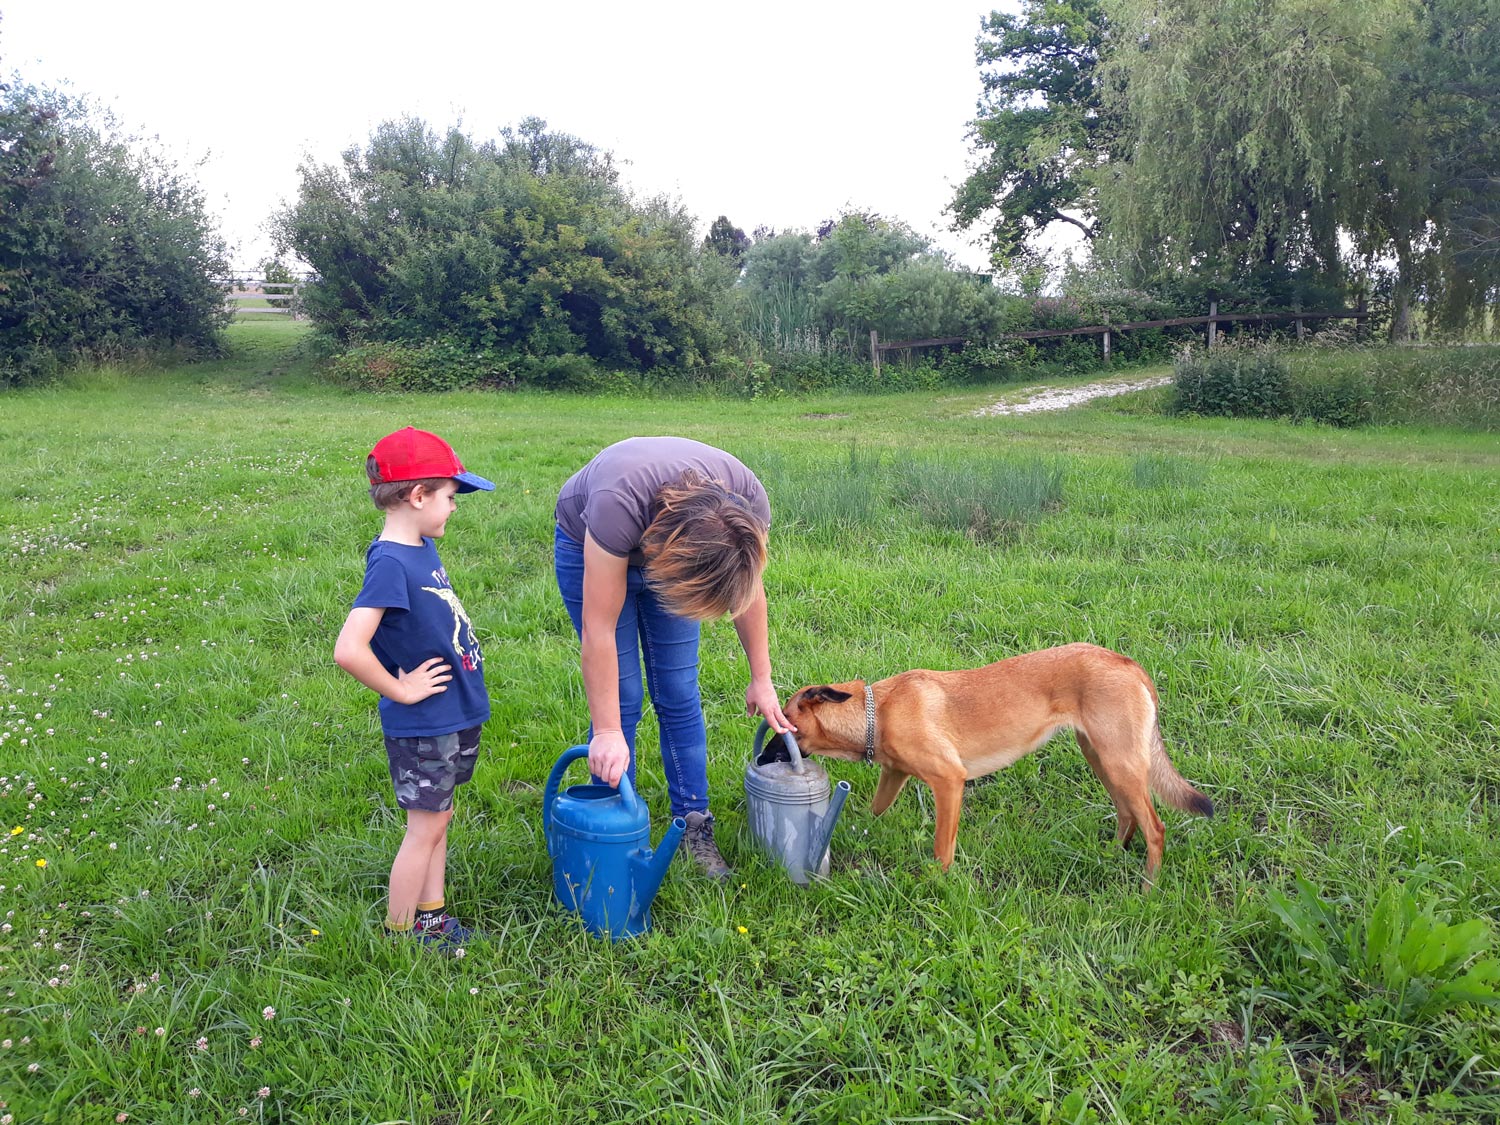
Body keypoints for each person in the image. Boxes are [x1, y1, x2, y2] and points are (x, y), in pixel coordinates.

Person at [554, 436, 793, 880]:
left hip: (669, 539)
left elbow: (748, 591)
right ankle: (614, 830)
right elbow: (599, 629)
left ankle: (693, 827)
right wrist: (605, 730)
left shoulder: (749, 504)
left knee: (678, 690)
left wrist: (762, 677)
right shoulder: (615, 504)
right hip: (594, 539)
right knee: (621, 698)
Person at [334, 426, 494, 949]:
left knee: (438, 822)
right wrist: (400, 691)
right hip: (425, 723)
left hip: (449, 716)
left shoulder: (419, 547)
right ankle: (401, 935)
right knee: (423, 830)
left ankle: (432, 918)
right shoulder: (389, 562)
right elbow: (349, 648)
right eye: (450, 496)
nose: (454, 507)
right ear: (417, 495)